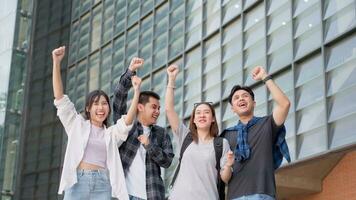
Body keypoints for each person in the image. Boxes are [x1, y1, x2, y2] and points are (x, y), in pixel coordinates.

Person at [52, 46, 141, 200]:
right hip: (77, 182)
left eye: (104, 104)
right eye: (96, 104)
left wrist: (137, 91)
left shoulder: (111, 134)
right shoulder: (77, 124)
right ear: (88, 108)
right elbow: (60, 99)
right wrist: (56, 63)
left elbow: (127, 121)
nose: (101, 108)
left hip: (103, 184)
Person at [165, 65, 234, 200]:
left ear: (213, 119)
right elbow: (169, 109)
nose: (202, 115)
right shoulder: (185, 136)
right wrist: (172, 80)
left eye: (206, 112)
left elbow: (225, 179)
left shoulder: (221, 144)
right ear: (194, 120)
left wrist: (229, 165)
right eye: (198, 113)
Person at [221, 66, 291, 200]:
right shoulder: (226, 135)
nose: (241, 99)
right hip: (234, 196)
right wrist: (229, 165)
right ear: (232, 109)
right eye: (236, 98)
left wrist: (265, 77)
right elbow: (224, 178)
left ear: (253, 103)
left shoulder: (267, 124)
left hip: (263, 195)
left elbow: (285, 104)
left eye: (245, 96)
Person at [113, 57, 174, 200]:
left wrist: (149, 145)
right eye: (153, 107)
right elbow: (118, 99)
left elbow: (167, 161)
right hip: (125, 195)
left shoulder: (161, 133)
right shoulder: (127, 126)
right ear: (140, 107)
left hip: (153, 195)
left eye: (159, 108)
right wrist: (130, 71)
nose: (158, 111)